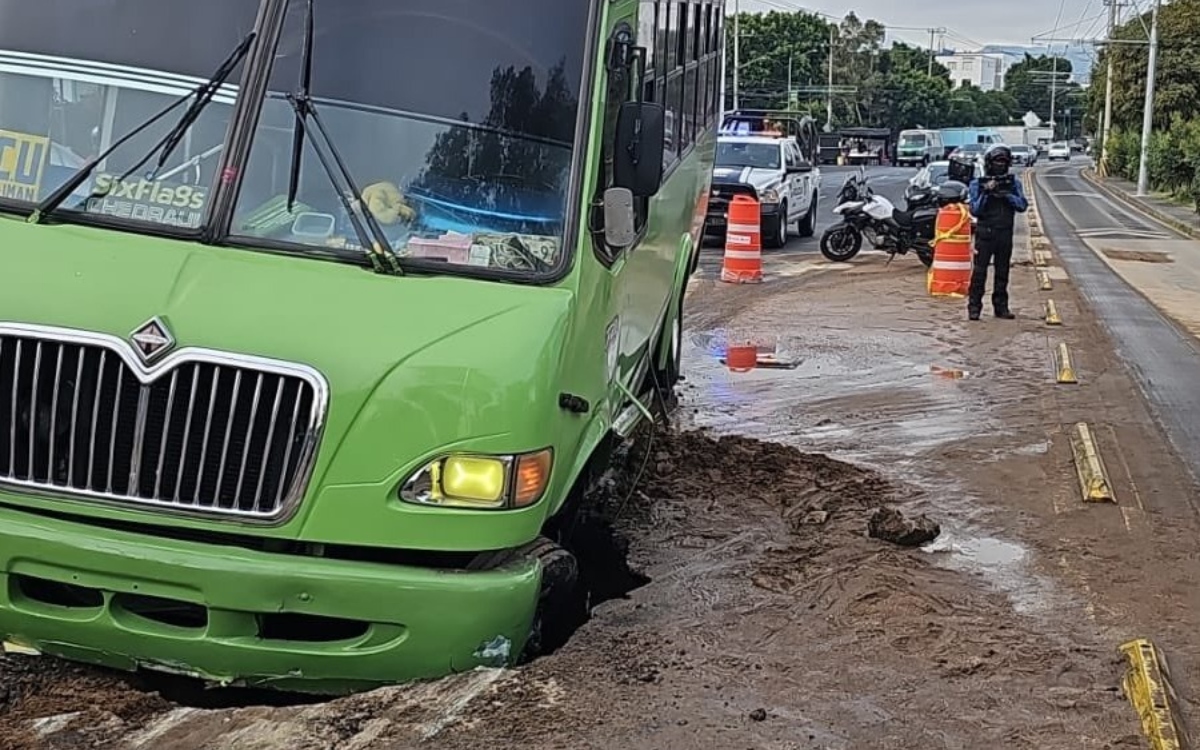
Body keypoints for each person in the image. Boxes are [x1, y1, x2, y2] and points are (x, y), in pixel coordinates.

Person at [967, 144, 1027, 320]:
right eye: (997, 162)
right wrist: (987, 192)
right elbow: (975, 210)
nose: (1000, 165)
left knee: (1002, 272)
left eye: (1003, 162)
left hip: (1005, 233)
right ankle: (974, 307)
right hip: (985, 233)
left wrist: (1005, 194)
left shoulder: (1013, 183)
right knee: (979, 272)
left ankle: (1001, 307)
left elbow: (1022, 205)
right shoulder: (978, 184)